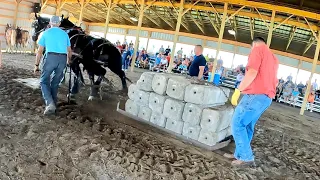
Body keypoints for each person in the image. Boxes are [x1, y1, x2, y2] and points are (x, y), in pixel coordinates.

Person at [227, 37, 279, 167]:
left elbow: (252, 72)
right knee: (247, 126)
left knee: (237, 124)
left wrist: (239, 90)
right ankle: (239, 154)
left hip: (255, 95)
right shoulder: (273, 58)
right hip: (266, 97)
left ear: (254, 44)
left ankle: (246, 157)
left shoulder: (257, 51)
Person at [33, 16, 72, 115]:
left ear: (50, 23)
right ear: (59, 24)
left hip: (50, 58)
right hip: (62, 59)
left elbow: (40, 51)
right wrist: (68, 61)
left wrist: (36, 65)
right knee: (55, 82)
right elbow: (69, 51)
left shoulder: (46, 33)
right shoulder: (65, 34)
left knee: (44, 81)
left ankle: (50, 103)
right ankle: (53, 105)